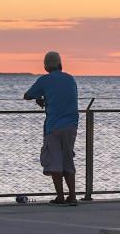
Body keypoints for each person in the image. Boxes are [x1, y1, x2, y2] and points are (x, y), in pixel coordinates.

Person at [24, 51, 80, 205]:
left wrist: (39, 98)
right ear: (60, 63)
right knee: (68, 159)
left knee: (55, 161)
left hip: (54, 126)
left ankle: (60, 197)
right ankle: (73, 196)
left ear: (46, 65)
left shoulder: (45, 80)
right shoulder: (70, 79)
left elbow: (27, 95)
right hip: (71, 125)